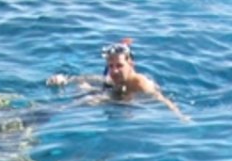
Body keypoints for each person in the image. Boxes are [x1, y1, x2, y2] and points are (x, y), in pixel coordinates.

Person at [46, 38, 188, 120]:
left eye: (119, 66)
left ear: (131, 64)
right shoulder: (112, 77)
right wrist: (66, 79)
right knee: (85, 88)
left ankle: (52, 112)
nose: (114, 70)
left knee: (91, 100)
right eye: (111, 66)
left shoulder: (141, 83)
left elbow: (163, 100)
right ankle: (50, 111)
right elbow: (95, 78)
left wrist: (181, 117)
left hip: (129, 106)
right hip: (115, 95)